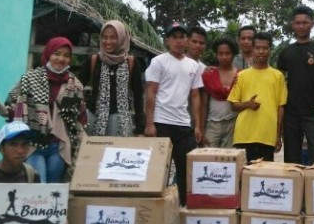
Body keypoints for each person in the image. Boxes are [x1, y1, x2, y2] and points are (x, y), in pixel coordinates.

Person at [0, 37, 86, 183]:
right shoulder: (30, 79)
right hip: (33, 143)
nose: (61, 59)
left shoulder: (75, 85)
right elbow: (12, 110)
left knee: (53, 190)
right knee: (37, 186)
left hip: (59, 146)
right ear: (49, 54)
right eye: (57, 53)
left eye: (66, 55)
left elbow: (79, 118)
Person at [144, 22, 205, 205]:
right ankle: (156, 206)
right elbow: (151, 92)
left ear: (186, 40)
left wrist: (198, 125)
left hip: (183, 124)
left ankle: (182, 208)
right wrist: (149, 123)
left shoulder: (193, 65)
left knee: (185, 168)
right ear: (167, 40)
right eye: (174, 37)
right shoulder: (159, 61)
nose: (178, 41)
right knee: (159, 169)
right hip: (161, 121)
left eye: (182, 37)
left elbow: (195, 96)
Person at [277, 5, 314, 164]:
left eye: (305, 22)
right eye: (298, 23)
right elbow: (279, 81)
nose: (301, 26)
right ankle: (294, 187)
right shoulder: (286, 52)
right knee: (291, 159)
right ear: (292, 25)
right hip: (291, 113)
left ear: (312, 23)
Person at [228, 32, 288, 162]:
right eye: (257, 48)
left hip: (267, 135)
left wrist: (278, 135)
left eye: (265, 48)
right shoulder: (242, 75)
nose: (261, 51)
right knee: (243, 176)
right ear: (252, 49)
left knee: (263, 177)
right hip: (244, 134)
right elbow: (233, 105)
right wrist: (248, 104)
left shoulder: (277, 76)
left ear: (270, 50)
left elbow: (281, 107)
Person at [80, 20, 144, 137]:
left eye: (113, 38)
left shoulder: (131, 63)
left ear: (121, 38)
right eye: (105, 37)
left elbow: (138, 97)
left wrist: (140, 129)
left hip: (120, 122)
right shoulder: (94, 60)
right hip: (93, 119)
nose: (108, 42)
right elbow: (77, 86)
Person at [201, 36, 240, 148]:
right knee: (208, 158)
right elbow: (204, 103)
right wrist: (201, 127)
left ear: (233, 54)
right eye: (220, 53)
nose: (224, 57)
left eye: (227, 53)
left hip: (233, 124)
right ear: (216, 54)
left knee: (230, 161)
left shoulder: (241, 75)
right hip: (212, 124)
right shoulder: (209, 75)